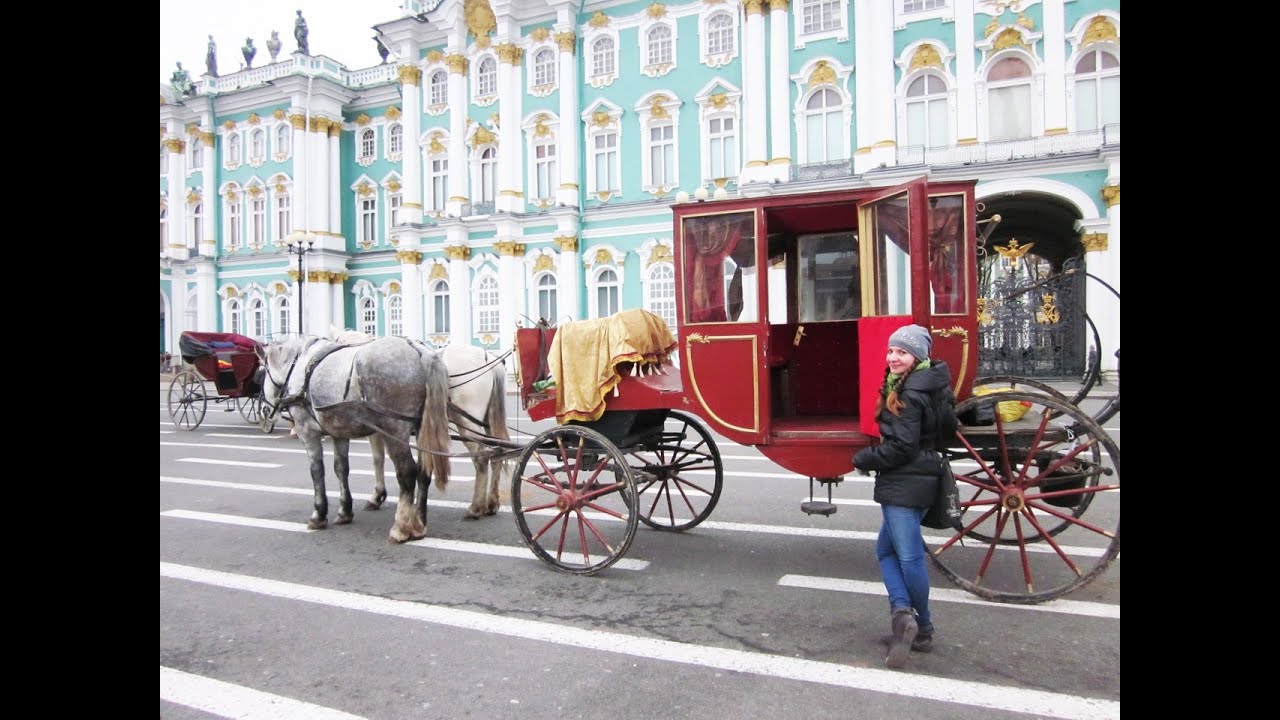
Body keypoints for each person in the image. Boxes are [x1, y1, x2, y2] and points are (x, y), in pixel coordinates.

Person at [852, 323, 957, 670]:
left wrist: (864, 459)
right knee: (885, 550)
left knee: (909, 557)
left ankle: (919, 625)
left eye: (902, 352)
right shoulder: (934, 384)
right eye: (892, 351)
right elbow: (947, 429)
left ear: (918, 357)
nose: (893, 357)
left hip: (904, 482)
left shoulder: (909, 393)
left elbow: (901, 447)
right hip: (926, 476)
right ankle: (903, 616)